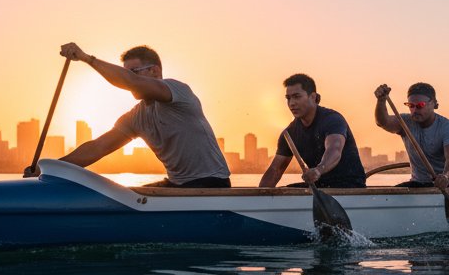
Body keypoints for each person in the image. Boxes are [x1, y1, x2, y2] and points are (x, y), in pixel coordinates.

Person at [35, 43, 231, 188]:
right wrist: (49, 169)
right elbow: (97, 148)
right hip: (176, 185)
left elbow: (132, 83)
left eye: (134, 72)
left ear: (155, 71)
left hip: (212, 185)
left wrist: (87, 59)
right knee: (125, 196)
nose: (128, 81)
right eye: (127, 73)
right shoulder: (136, 118)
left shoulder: (178, 92)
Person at [259, 73, 366, 188]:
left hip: (350, 185)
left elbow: (334, 149)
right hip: (319, 186)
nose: (291, 103)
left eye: (297, 96)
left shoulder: (333, 120)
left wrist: (318, 170)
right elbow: (276, 170)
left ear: (313, 97)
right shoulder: (289, 134)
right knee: (282, 192)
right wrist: (259, 195)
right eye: (288, 98)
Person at [373, 82, 449, 189]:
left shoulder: (448, 128)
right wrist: (381, 100)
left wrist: (445, 176)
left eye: (420, 106)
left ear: (435, 104)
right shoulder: (404, 122)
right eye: (411, 106)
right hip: (419, 183)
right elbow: (382, 122)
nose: (415, 110)